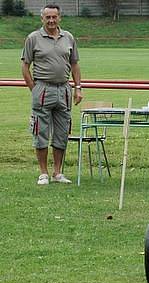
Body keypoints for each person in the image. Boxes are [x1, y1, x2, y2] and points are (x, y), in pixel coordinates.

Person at [21, 3, 83, 185]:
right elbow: (25, 66)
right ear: (42, 19)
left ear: (59, 18)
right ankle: (43, 173)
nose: (51, 20)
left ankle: (58, 172)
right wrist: (35, 88)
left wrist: (78, 87)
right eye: (47, 17)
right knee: (40, 131)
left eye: (54, 17)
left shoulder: (68, 37)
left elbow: (75, 64)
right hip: (42, 88)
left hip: (64, 89)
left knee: (62, 132)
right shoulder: (33, 38)